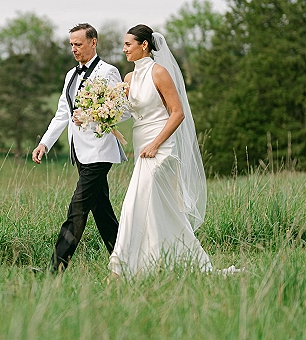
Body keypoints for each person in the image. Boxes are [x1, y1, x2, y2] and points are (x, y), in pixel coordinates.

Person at [108, 24, 212, 277]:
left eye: (128, 44)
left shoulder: (159, 73)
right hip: (141, 144)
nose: (124, 50)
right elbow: (126, 113)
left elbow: (177, 113)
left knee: (134, 203)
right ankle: (164, 260)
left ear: (144, 45)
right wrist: (96, 115)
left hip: (161, 145)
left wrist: (155, 144)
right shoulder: (129, 78)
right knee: (158, 207)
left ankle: (120, 269)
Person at [32, 23, 128, 273]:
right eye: (71, 44)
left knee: (77, 209)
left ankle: (55, 269)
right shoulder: (70, 75)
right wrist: (45, 143)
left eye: (78, 44)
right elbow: (62, 114)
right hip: (80, 154)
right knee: (102, 213)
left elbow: (123, 110)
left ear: (93, 43)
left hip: (100, 152)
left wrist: (89, 115)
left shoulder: (108, 72)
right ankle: (125, 263)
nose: (74, 49)